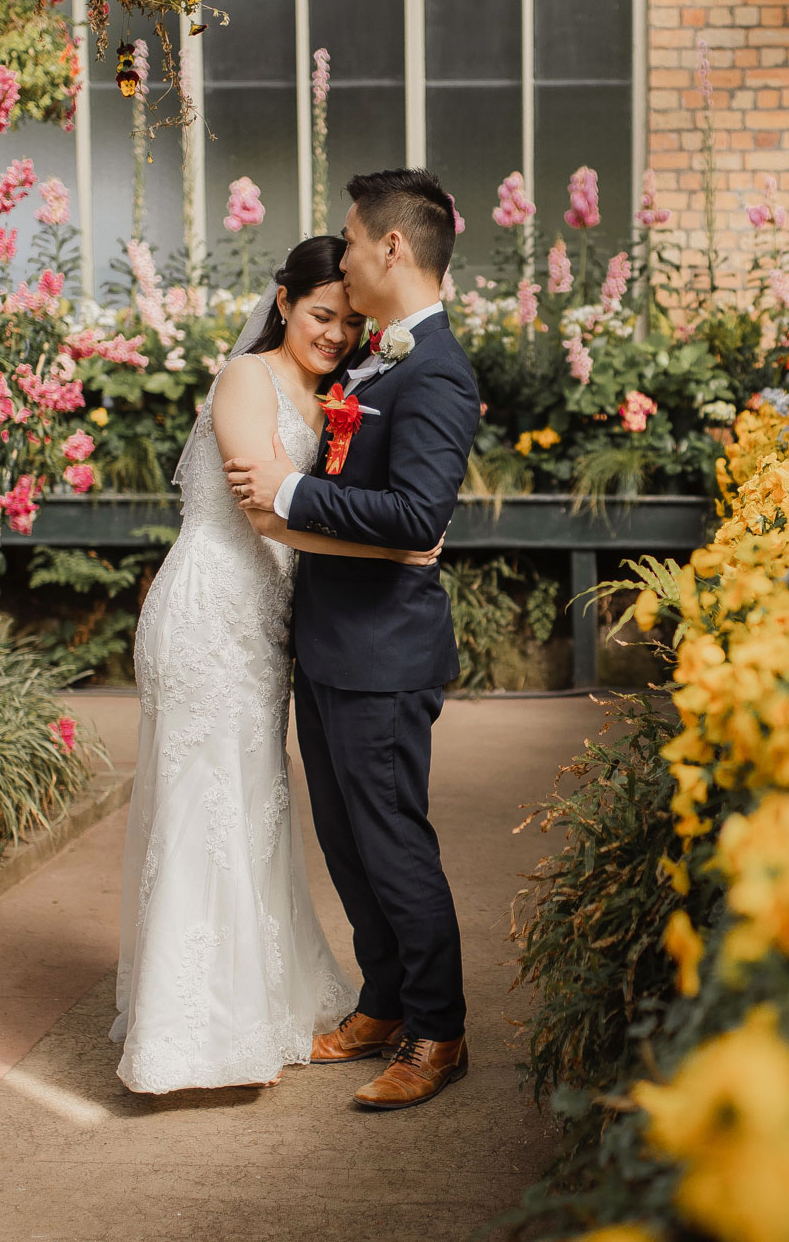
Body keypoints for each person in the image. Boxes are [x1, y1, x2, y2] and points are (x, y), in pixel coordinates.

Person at [112, 235, 443, 1095]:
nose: (333, 334)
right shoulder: (246, 379)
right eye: (319, 314)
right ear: (284, 301)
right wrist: (399, 552)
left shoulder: (346, 388)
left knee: (253, 800)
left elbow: (371, 495)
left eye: (346, 320)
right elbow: (262, 515)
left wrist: (393, 535)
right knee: (204, 800)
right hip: (211, 609)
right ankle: (185, 1031)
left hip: (272, 623)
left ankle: (256, 997)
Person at [224, 168, 482, 1110]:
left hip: (383, 654)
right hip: (332, 641)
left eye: (350, 234)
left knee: (391, 841)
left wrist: (288, 493)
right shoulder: (380, 361)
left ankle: (438, 1030)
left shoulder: (438, 372)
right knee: (346, 837)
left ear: (392, 248)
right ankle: (381, 1000)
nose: (342, 248)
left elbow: (418, 513)